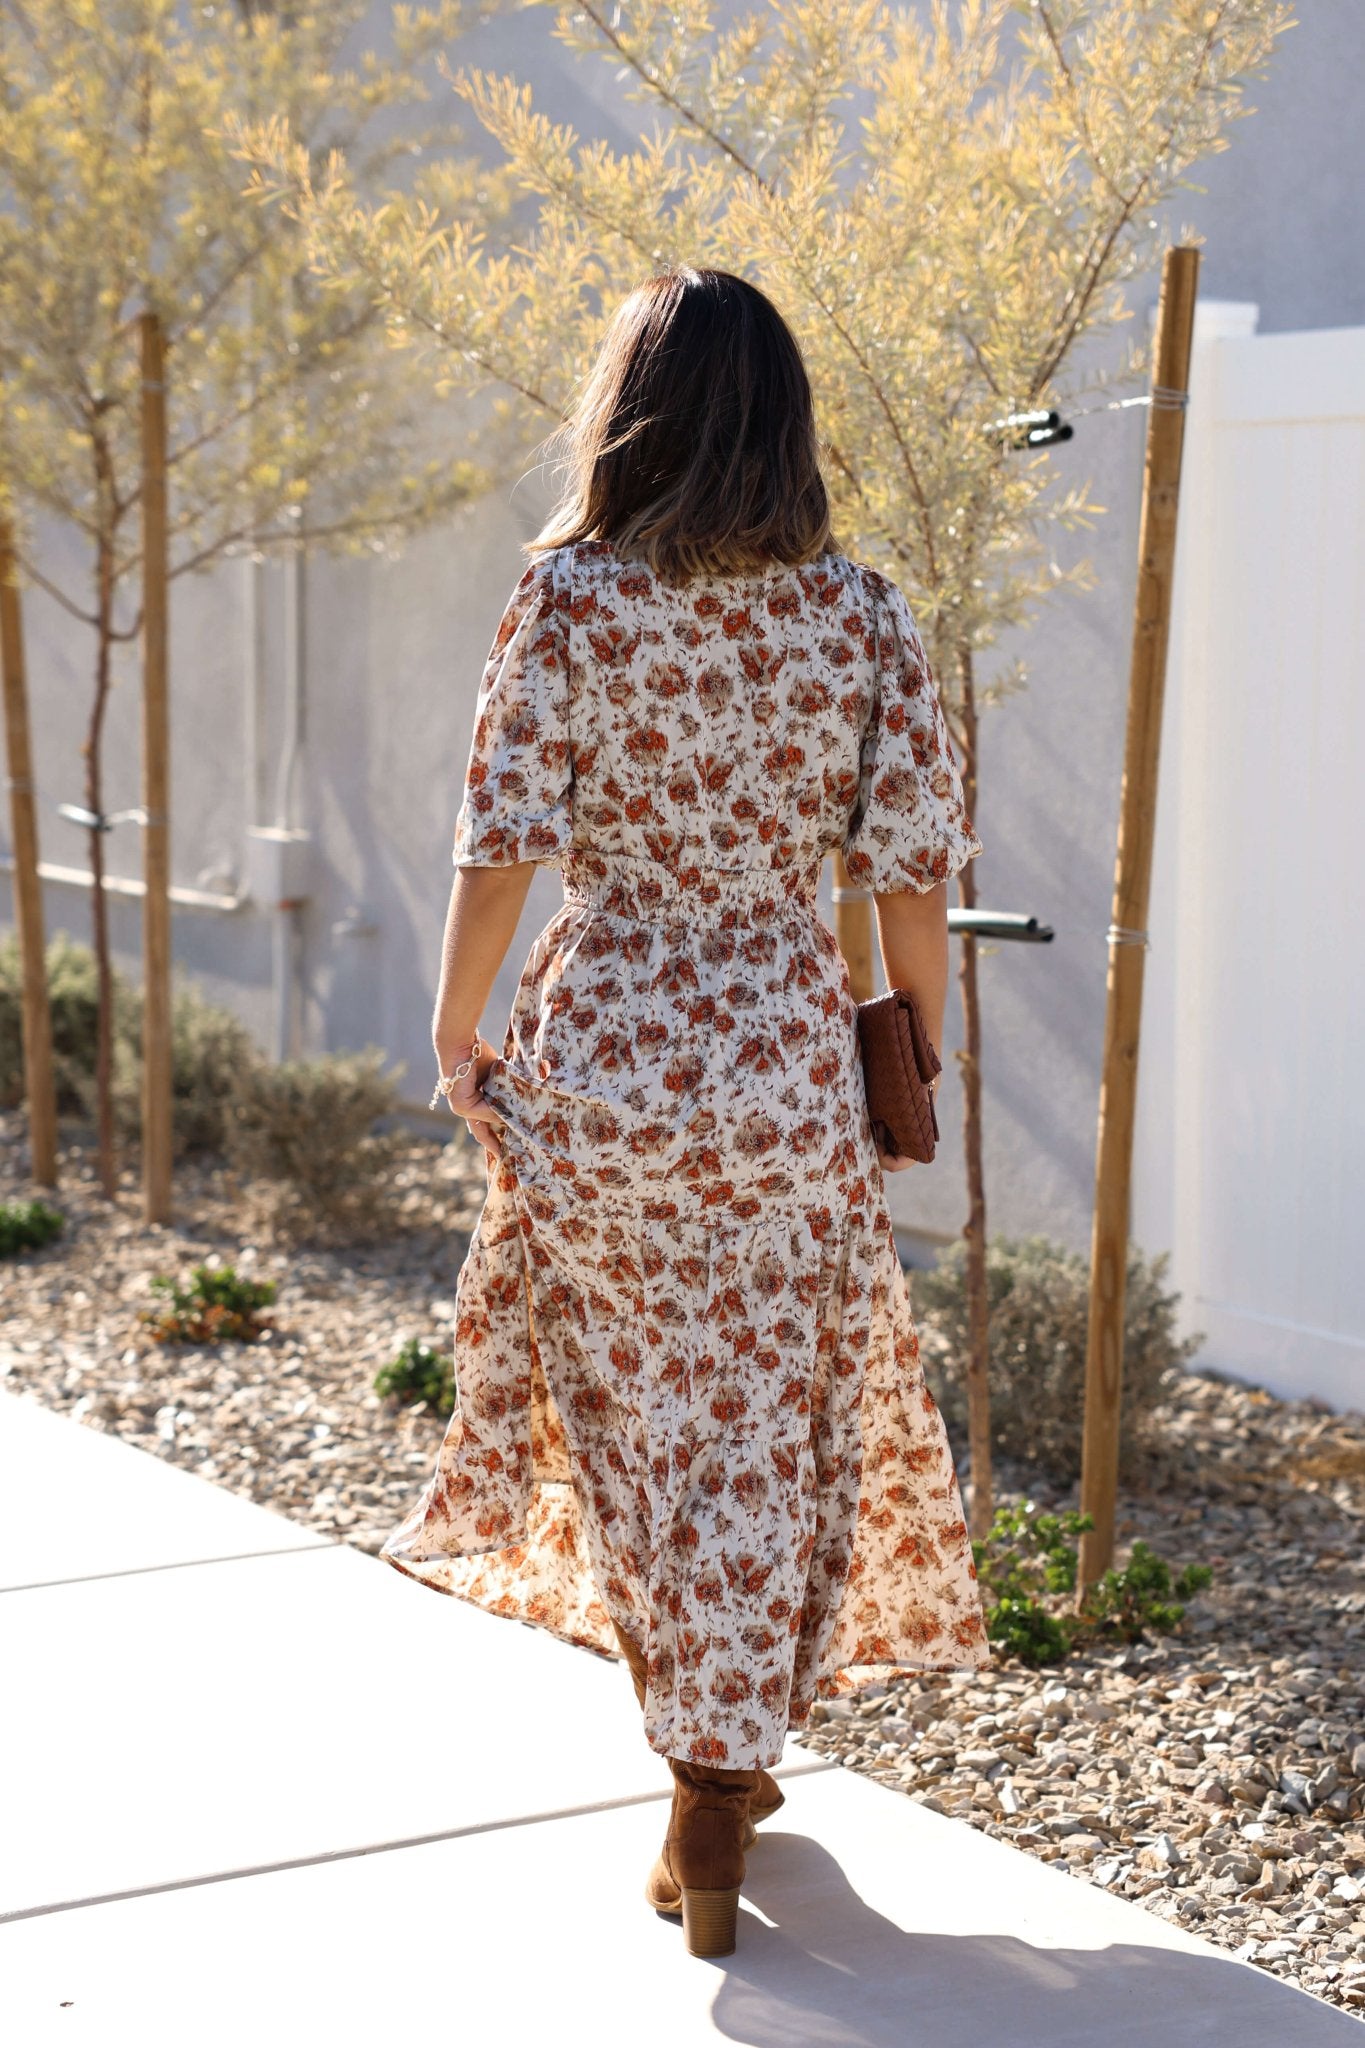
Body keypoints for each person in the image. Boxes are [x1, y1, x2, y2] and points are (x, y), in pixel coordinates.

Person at [380, 265, 991, 1958]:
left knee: (642, 1428)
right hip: (788, 1071)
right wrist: (906, 1061)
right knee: (768, 1431)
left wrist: (458, 1030)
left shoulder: (570, 602)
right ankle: (720, 1779)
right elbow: (907, 882)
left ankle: (703, 1769)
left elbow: (498, 838)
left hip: (609, 1061)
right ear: (784, 420)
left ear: (629, 410)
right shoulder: (860, 615)